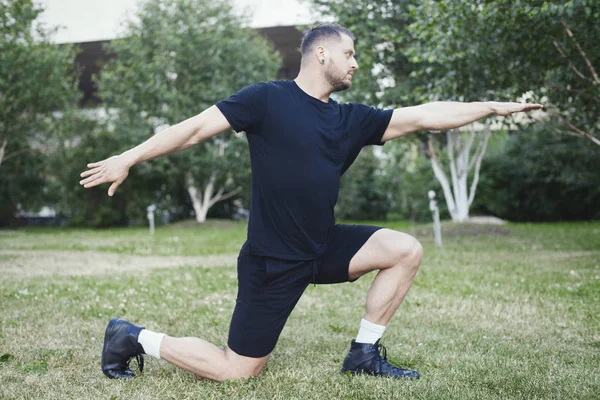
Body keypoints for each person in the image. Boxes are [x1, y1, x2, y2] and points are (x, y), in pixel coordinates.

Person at [81, 23, 543, 382]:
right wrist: (130, 156)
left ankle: (363, 354)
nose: (355, 63)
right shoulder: (267, 99)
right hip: (274, 260)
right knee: (236, 370)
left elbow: (424, 116)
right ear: (321, 53)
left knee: (406, 249)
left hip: (322, 246)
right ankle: (133, 336)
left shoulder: (351, 120)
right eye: (350, 53)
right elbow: (195, 129)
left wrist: (489, 107)